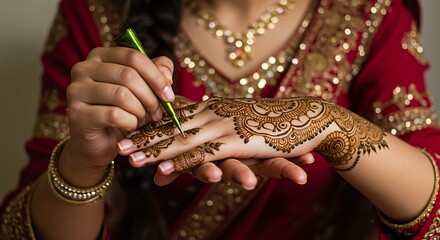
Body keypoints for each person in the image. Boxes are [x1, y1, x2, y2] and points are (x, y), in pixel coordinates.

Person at [1, 0, 439, 239]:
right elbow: (22, 231)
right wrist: (83, 160)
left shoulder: (369, 14)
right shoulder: (97, 13)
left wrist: (322, 122)